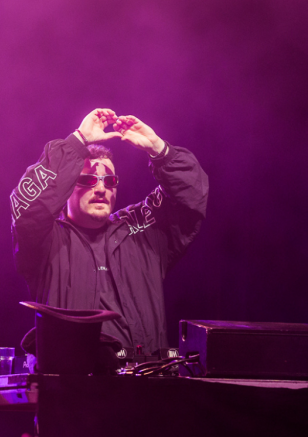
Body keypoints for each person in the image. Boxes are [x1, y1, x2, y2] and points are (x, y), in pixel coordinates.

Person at [11, 108, 209, 356]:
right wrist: (79, 141)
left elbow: (192, 196)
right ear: (66, 189)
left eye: (110, 181)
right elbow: (27, 208)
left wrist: (159, 150)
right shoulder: (46, 240)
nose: (101, 189)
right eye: (88, 180)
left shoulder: (141, 230)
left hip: (146, 377)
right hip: (72, 379)